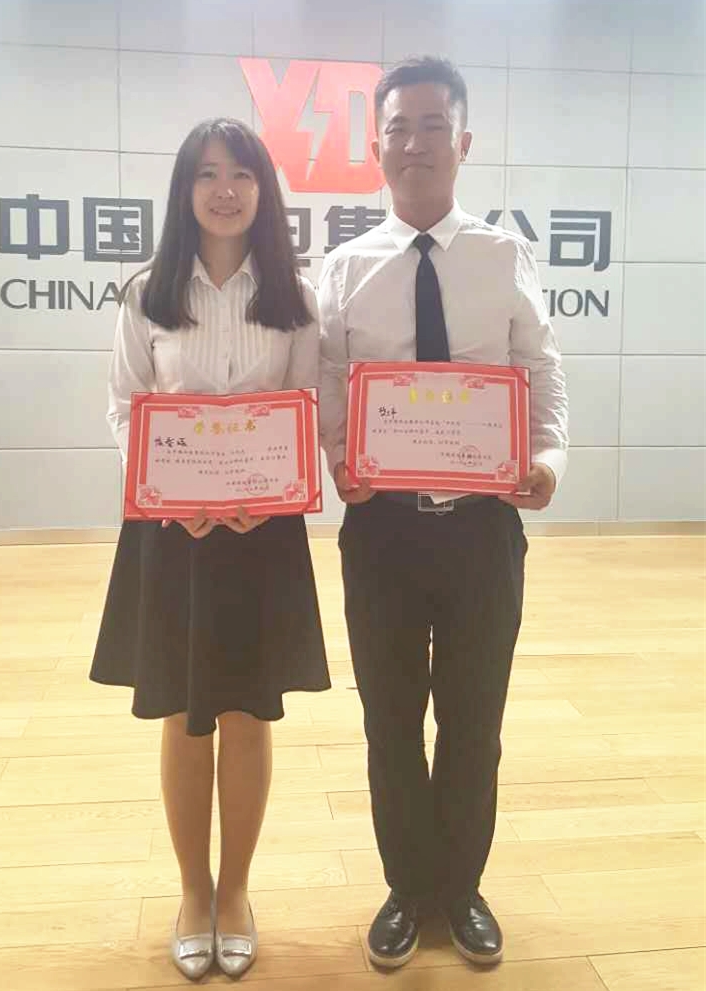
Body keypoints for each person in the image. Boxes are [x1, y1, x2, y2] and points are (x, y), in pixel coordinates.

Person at [319, 57, 568, 969]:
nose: (415, 143)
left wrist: (546, 458)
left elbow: (540, 369)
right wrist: (338, 457)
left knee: (473, 717)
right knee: (389, 718)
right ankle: (406, 885)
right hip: (381, 529)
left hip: (482, 528)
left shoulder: (503, 256)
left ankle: (460, 886)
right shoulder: (344, 267)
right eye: (398, 127)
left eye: (432, 126)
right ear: (376, 146)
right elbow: (330, 383)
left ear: (462, 143)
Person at [91, 118, 330, 980]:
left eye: (241, 174)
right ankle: (193, 890)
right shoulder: (146, 293)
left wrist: (268, 494)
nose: (225, 190)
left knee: (248, 711)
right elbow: (126, 407)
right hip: (174, 532)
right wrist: (166, 492)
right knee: (186, 711)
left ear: (264, 190)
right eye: (206, 174)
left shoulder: (296, 296)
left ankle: (236, 893)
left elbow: (305, 405)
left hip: (264, 534)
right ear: (183, 190)